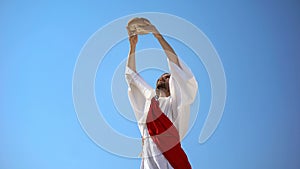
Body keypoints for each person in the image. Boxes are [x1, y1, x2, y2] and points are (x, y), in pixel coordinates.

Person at [125, 22, 198, 169]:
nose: (161, 78)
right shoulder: (147, 108)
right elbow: (131, 78)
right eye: (160, 76)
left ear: (173, 85)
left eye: (167, 77)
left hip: (170, 160)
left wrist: (157, 36)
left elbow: (176, 65)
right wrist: (132, 47)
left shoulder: (175, 103)